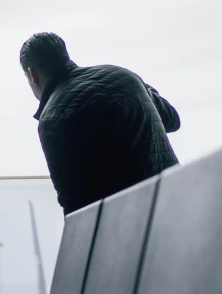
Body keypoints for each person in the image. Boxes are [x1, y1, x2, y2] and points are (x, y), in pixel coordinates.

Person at [20, 32, 180, 215]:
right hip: (178, 203)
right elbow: (172, 120)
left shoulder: (52, 119)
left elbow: (75, 205)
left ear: (32, 75)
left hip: (131, 224)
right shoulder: (124, 76)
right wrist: (139, 84)